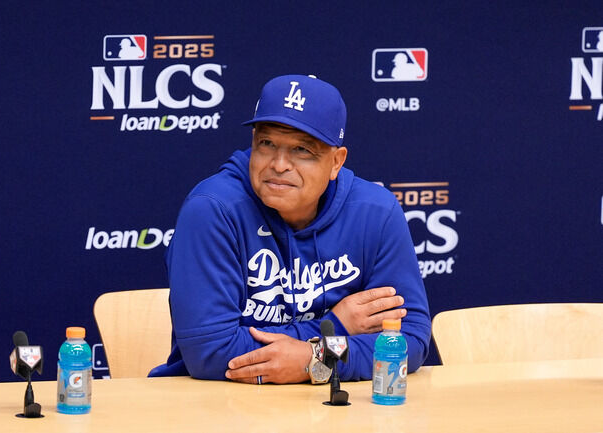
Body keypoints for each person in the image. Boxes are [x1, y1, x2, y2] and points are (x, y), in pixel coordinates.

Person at [149, 74, 431, 384]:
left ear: (336, 162)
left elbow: (408, 340)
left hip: (324, 405)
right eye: (267, 144)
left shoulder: (375, 212)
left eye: (302, 150)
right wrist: (334, 328)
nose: (279, 164)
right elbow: (211, 353)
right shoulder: (213, 209)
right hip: (216, 402)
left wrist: (315, 359)